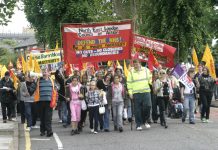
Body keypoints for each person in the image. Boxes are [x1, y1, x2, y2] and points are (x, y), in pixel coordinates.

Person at [127, 60, 152, 131]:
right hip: (136, 93)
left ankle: (145, 120)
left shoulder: (146, 70)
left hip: (146, 91)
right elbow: (129, 83)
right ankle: (138, 124)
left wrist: (152, 82)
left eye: (136, 64)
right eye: (134, 64)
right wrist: (130, 93)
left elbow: (150, 79)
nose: (135, 65)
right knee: (137, 109)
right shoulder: (131, 72)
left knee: (148, 106)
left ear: (140, 64)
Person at [34, 68, 56, 137]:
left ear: (48, 73)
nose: (44, 73)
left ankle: (49, 131)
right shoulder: (38, 80)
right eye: (43, 72)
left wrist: (56, 101)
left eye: (45, 72)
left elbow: (55, 90)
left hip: (49, 102)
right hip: (40, 102)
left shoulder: (52, 80)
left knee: (48, 118)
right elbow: (33, 87)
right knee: (42, 117)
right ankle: (42, 131)